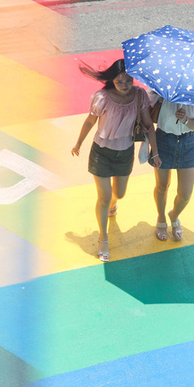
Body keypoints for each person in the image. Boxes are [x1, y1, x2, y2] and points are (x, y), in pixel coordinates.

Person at [72, 59, 161, 262]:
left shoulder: (139, 96)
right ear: (112, 80)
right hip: (101, 153)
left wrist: (155, 153)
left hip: (125, 153)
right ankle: (103, 240)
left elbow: (148, 125)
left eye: (128, 80)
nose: (124, 85)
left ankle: (113, 204)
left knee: (118, 194)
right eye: (120, 81)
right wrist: (78, 143)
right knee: (102, 198)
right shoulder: (102, 98)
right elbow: (89, 120)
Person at [150, 94, 194, 241]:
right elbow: (147, 111)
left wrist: (185, 120)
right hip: (163, 139)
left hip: (189, 143)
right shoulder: (162, 87)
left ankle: (174, 215)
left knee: (185, 195)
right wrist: (157, 96)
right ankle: (161, 217)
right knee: (162, 185)